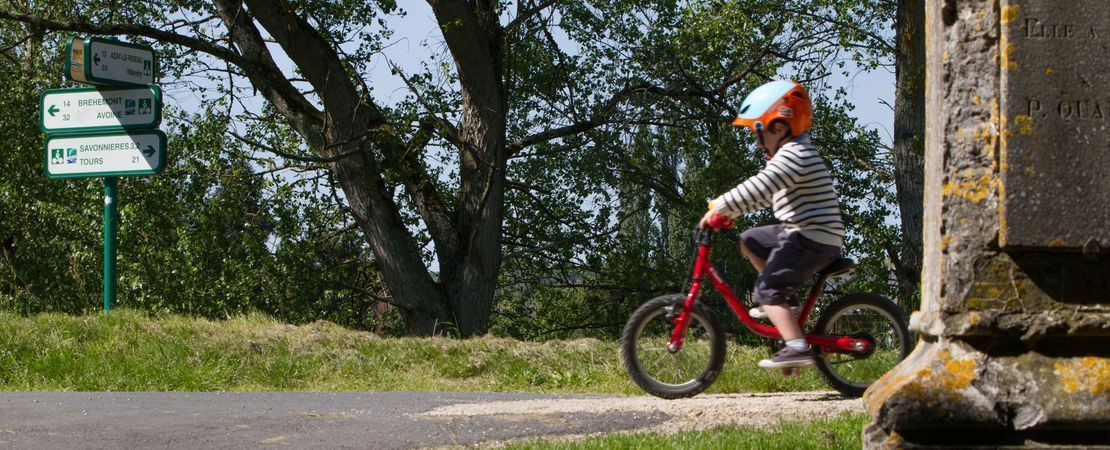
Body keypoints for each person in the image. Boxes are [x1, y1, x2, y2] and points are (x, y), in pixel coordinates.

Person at [698, 80, 845, 371]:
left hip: (812, 237)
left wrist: (720, 206)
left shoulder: (794, 155)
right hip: (801, 231)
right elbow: (766, 197)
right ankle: (785, 302)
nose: (758, 142)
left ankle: (796, 346)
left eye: (759, 132)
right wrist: (733, 214)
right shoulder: (791, 155)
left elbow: (760, 187)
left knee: (767, 289)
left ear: (780, 126)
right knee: (751, 239)